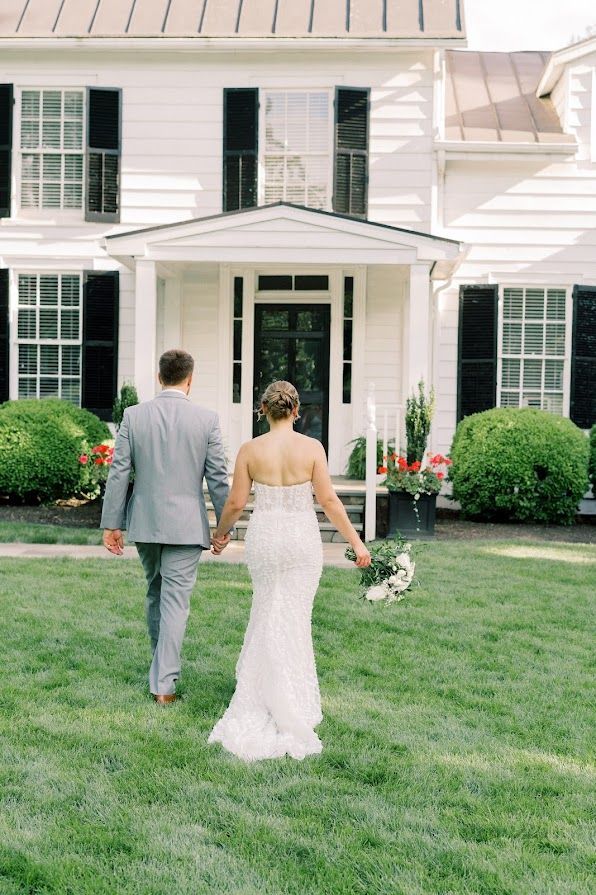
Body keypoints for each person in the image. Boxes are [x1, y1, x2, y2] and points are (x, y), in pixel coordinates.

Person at [208, 380, 371, 761]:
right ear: (296, 411)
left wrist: (220, 534)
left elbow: (235, 502)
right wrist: (357, 543)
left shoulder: (250, 450)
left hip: (265, 537)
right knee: (295, 615)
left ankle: (261, 691)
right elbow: (328, 499)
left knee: (266, 608)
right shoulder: (312, 448)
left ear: (263, 409)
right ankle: (292, 696)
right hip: (300, 538)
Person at [100, 349, 230, 704]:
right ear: (190, 379)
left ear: (160, 377)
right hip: (187, 526)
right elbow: (218, 478)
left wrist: (112, 523)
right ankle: (164, 685)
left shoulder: (134, 416)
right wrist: (224, 526)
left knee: (157, 592)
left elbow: (119, 473)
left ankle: (161, 670)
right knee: (173, 601)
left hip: (145, 522)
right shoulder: (207, 419)